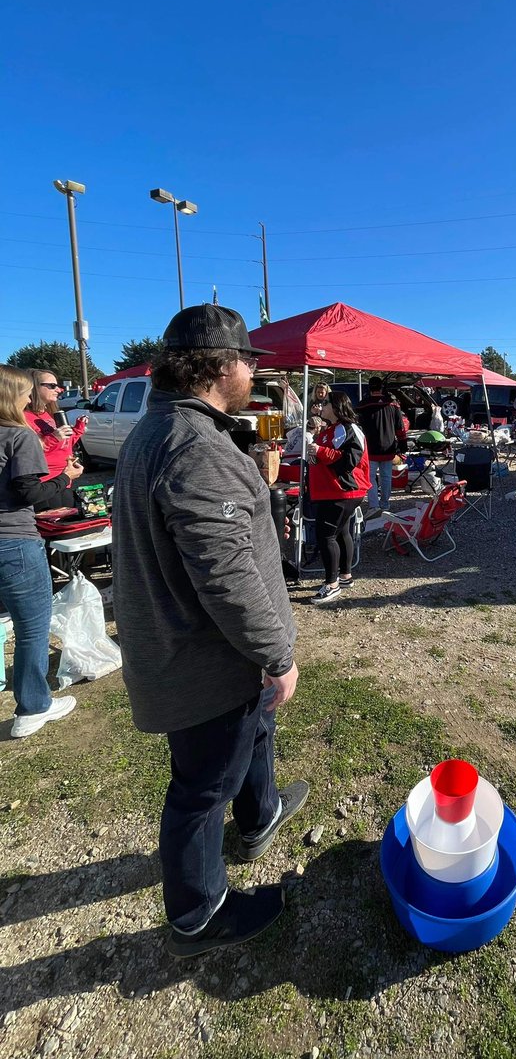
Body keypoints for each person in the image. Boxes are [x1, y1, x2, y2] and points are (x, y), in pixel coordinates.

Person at [112, 305, 308, 959]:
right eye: (249, 360)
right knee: (199, 791)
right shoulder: (194, 446)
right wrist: (277, 653)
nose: (254, 372)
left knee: (255, 735)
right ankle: (199, 913)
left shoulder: (161, 428)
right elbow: (225, 575)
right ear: (222, 366)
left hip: (196, 652)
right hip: (203, 661)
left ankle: (260, 817)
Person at [0, 365, 80, 738]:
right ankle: (33, 707)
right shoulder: (20, 435)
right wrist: (65, 479)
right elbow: (30, 493)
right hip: (14, 540)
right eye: (25, 392)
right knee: (31, 626)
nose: (29, 398)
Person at [306, 391, 370, 605]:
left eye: (325, 403)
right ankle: (344, 576)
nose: (320, 406)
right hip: (332, 490)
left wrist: (320, 452)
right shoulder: (331, 429)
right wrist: (315, 456)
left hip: (342, 491)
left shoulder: (349, 429)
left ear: (336, 406)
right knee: (341, 532)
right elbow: (328, 457)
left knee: (326, 535)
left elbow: (349, 462)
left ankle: (331, 585)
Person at [24, 369, 88, 509]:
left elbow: (63, 444)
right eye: (51, 386)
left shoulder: (48, 415)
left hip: (64, 479)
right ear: (34, 387)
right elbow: (29, 451)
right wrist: (54, 437)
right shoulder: (24, 417)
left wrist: (78, 430)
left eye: (58, 386)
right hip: (45, 484)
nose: (58, 390)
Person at [357, 377, 407, 515]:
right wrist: (403, 447)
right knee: (386, 476)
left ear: (369, 388)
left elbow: (357, 427)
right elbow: (400, 429)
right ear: (381, 387)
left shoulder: (362, 405)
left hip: (370, 448)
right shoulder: (393, 404)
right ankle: (385, 504)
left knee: (370, 477)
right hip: (389, 446)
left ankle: (374, 505)